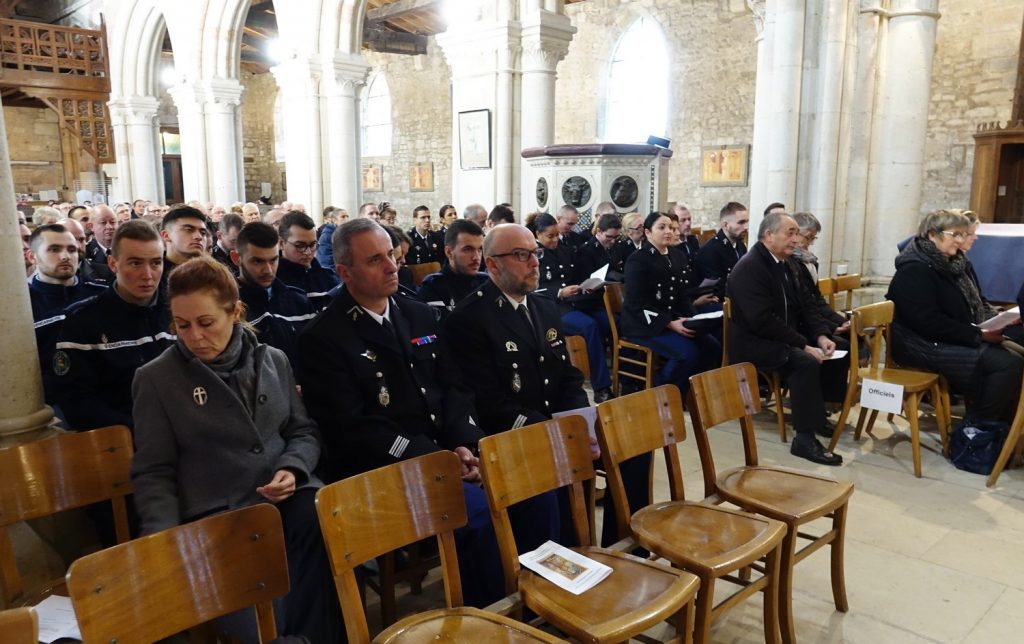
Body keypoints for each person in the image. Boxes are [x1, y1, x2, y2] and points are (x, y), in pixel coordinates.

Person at [294, 218, 503, 606]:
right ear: (345, 272)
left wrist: (463, 441)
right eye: (375, 260)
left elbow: (453, 386)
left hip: (439, 455)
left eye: (391, 254)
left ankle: (520, 596)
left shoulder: (417, 313)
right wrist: (435, 458)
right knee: (479, 512)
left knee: (521, 486)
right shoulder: (323, 338)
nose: (392, 266)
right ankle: (490, 613)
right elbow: (353, 429)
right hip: (381, 470)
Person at [131, 257, 339, 642]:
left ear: (235, 312)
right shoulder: (157, 379)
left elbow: (303, 431)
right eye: (182, 325)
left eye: (206, 322)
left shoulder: (272, 360)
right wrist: (162, 542)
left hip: (284, 502)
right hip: (220, 518)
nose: (194, 336)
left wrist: (292, 469)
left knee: (318, 521)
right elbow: (154, 470)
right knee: (267, 611)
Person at [444, 223, 584, 549]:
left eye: (535, 253)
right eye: (522, 255)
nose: (534, 263)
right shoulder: (469, 318)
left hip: (552, 426)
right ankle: (548, 565)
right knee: (547, 481)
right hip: (509, 435)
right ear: (493, 265)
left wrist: (579, 418)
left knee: (631, 452)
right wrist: (549, 430)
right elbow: (486, 401)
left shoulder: (544, 307)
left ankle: (612, 551)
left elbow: (566, 375)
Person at [728, 212, 847, 466]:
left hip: (781, 336)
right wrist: (803, 344)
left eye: (796, 233)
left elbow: (807, 306)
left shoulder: (789, 263)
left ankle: (817, 415)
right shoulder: (750, 268)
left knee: (837, 348)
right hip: (755, 343)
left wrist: (821, 336)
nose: (795, 239)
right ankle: (804, 439)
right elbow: (762, 321)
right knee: (805, 361)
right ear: (769, 235)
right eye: (790, 233)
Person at [887, 209, 1023, 422]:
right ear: (932, 234)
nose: (961, 240)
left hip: (942, 335)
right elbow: (928, 322)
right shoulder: (914, 269)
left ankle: (1003, 423)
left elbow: (962, 309)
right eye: (955, 234)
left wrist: (989, 324)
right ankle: (978, 428)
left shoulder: (949, 263)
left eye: (963, 234)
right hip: (920, 344)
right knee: (1006, 363)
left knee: (1017, 353)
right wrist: (978, 335)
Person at [55, 220, 172, 432]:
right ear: (112, 264)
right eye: (135, 263)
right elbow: (78, 402)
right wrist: (145, 431)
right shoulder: (83, 321)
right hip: (126, 438)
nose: (148, 275)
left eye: (156, 263)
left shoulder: (178, 311)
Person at [620, 212, 721, 398]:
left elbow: (681, 294)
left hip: (672, 318)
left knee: (712, 346)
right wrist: (669, 323)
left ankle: (685, 389)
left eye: (672, 228)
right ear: (648, 233)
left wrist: (693, 318)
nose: (668, 231)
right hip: (644, 324)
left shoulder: (677, 255)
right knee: (686, 353)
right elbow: (636, 303)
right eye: (662, 227)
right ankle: (661, 394)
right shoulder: (638, 260)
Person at [533, 213, 614, 402]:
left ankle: (623, 379)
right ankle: (601, 387)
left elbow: (574, 276)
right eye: (550, 236)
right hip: (552, 307)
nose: (555, 240)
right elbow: (533, 289)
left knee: (607, 321)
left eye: (557, 235)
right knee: (589, 326)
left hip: (575, 301)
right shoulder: (534, 255)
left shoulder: (565, 250)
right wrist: (559, 292)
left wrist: (586, 286)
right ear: (538, 234)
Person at [27, 224, 105, 406]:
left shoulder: (101, 295)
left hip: (107, 392)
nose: (65, 256)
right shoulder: (23, 305)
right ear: (32, 256)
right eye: (54, 249)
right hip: (51, 403)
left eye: (71, 250)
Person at [232, 223, 317, 365]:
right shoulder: (226, 306)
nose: (268, 270)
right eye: (257, 261)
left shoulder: (299, 301)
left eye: (273, 260)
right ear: (236, 258)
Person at [790, 211, 849, 335]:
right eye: (808, 237)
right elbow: (803, 305)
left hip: (814, 321)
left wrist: (842, 321)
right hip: (800, 325)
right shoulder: (790, 262)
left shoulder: (810, 261)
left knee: (855, 335)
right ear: (795, 233)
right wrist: (830, 327)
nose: (810, 243)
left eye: (813, 238)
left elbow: (816, 298)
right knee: (846, 342)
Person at [417, 219, 489, 317]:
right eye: (468, 249)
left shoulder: (486, 282)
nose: (476, 257)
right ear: (449, 252)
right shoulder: (433, 286)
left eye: (480, 249)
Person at [276, 211, 339, 300]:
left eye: (313, 245)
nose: (308, 252)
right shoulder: (272, 281)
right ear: (281, 243)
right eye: (300, 246)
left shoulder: (328, 278)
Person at [696, 201, 749, 283]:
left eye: (747, 222)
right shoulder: (710, 251)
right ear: (726, 225)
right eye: (741, 222)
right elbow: (714, 285)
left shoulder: (740, 246)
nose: (746, 227)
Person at [609, 212, 644, 279]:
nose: (643, 230)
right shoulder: (620, 248)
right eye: (639, 227)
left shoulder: (647, 245)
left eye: (644, 226)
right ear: (628, 231)